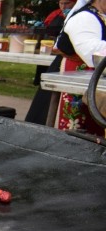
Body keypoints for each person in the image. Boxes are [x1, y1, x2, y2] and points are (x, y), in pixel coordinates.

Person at [54, 0, 106, 134]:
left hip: (97, 80)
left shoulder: (102, 16)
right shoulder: (84, 18)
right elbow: (92, 52)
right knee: (78, 127)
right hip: (81, 76)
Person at [25, 0, 77, 125]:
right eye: (61, 3)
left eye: (67, 3)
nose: (63, 7)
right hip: (60, 58)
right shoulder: (56, 14)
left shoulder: (80, 16)